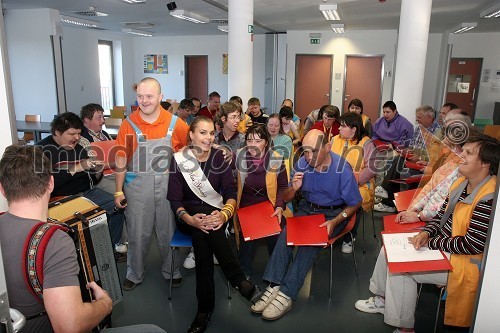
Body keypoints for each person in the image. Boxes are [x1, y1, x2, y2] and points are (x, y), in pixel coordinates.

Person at [0, 145, 166, 333]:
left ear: (2, 189)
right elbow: (69, 326)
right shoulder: (54, 241)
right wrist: (105, 303)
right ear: (50, 184)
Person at [355, 133, 499, 333]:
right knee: (388, 249)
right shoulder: (461, 183)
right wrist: (427, 233)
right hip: (444, 247)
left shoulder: (490, 197)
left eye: (468, 153)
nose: (461, 156)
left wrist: (433, 242)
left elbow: (473, 244)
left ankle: (405, 327)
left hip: (464, 262)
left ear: (485, 163)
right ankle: (382, 298)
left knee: (401, 268)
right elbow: (441, 216)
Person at [251, 129, 362, 320]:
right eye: (305, 151)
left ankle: (286, 293)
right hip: (306, 209)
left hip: (333, 213)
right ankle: (274, 284)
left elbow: (355, 203)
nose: (309, 157)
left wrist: (335, 221)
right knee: (286, 235)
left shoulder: (342, 168)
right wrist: (293, 189)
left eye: (314, 151)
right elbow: (285, 197)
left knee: (310, 245)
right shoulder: (303, 163)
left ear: (328, 147)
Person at [167, 117, 261, 333]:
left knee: (203, 239)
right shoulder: (178, 159)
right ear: (191, 134)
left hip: (216, 213)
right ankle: (239, 281)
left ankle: (204, 309)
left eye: (211, 133)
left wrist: (224, 215)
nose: (208, 138)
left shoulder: (220, 157)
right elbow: (174, 200)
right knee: (203, 230)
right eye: (202, 133)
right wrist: (190, 219)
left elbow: (229, 192)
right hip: (187, 217)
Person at [114, 77, 189, 291]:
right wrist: (118, 191)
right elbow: (121, 158)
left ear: (160, 97)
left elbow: (191, 151)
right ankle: (134, 273)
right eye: (140, 96)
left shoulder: (176, 124)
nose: (144, 101)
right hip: (137, 187)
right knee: (137, 233)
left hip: (168, 187)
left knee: (168, 231)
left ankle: (172, 270)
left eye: (149, 96)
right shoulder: (129, 124)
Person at [36, 112, 124, 249]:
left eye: (79, 133)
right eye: (72, 134)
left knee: (118, 206)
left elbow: (91, 181)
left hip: (86, 193)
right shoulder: (41, 150)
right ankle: (87, 252)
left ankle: (110, 248)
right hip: (59, 199)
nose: (77, 138)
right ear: (57, 132)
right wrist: (75, 169)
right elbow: (44, 185)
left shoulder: (79, 147)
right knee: (81, 224)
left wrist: (97, 172)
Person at [233, 124, 289, 277]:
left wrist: (279, 206)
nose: (252, 145)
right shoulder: (239, 155)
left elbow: (283, 186)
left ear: (266, 142)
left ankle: (277, 270)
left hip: (269, 205)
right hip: (246, 205)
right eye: (249, 140)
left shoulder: (276, 158)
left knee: (277, 232)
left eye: (257, 141)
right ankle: (244, 273)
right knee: (248, 236)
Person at [79, 103, 128, 257]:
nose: (103, 121)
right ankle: (120, 241)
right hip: (100, 178)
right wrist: (118, 161)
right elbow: (94, 167)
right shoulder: (83, 140)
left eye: (103, 117)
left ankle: (127, 237)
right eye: (99, 118)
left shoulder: (104, 135)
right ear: (86, 120)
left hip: (114, 172)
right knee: (120, 198)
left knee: (134, 188)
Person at [331, 112, 376, 253]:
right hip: (336, 183)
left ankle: (349, 237)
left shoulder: (366, 143)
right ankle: (333, 229)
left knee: (354, 201)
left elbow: (372, 168)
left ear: (354, 129)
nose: (339, 129)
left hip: (360, 185)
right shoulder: (334, 140)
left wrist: (351, 182)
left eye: (343, 126)